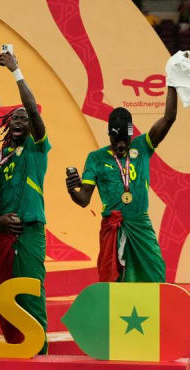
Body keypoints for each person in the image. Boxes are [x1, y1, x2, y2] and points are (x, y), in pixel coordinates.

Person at [66, 85, 177, 282]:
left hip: (140, 225)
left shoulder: (142, 146)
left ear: (131, 135)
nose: (120, 145)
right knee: (113, 281)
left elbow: (168, 119)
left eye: (125, 140)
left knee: (155, 274)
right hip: (112, 228)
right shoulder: (96, 158)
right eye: (115, 139)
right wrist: (72, 189)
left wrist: (172, 83)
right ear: (109, 135)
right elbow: (83, 199)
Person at [0, 50, 48, 354]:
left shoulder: (38, 149)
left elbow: (34, 112)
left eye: (24, 118)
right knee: (2, 290)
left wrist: (16, 72)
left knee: (31, 291)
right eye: (15, 117)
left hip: (31, 230)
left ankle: (40, 350)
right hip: (4, 233)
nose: (20, 120)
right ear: (7, 123)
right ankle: (17, 345)